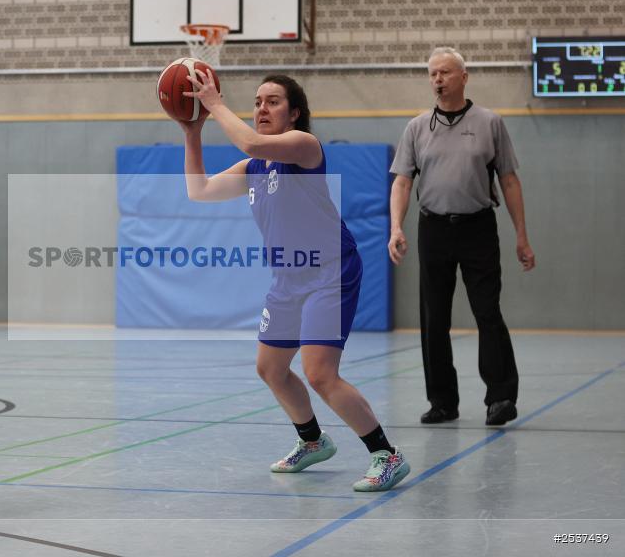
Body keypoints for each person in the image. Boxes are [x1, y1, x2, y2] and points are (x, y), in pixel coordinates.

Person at [179, 71, 410, 492]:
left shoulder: (304, 146)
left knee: (320, 373)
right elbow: (200, 190)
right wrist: (192, 131)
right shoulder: (253, 167)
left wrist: (213, 104)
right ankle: (313, 441)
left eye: (272, 102)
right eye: (257, 102)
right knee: (270, 368)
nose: (261, 109)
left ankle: (386, 454)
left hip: (329, 272)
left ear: (295, 113)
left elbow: (249, 140)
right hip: (288, 276)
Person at [388, 47, 535, 427]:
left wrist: (522, 236)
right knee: (434, 318)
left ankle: (500, 397)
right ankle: (442, 401)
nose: (438, 80)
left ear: (464, 77)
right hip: (433, 228)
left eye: (446, 73)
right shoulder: (417, 127)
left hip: (478, 228)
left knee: (487, 311)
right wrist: (396, 227)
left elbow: (510, 180)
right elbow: (403, 181)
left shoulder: (490, 123)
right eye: (433, 74)